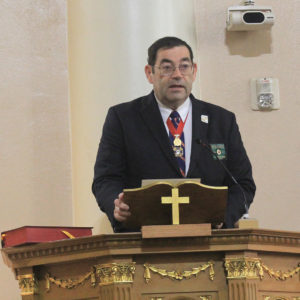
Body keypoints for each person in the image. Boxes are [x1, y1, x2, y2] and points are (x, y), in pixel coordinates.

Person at [92, 36, 256, 232]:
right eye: (167, 68)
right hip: (142, 241)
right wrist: (116, 205)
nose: (177, 75)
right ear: (150, 73)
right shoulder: (123, 118)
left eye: (184, 66)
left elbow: (242, 183)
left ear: (194, 72)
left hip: (211, 241)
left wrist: (223, 216)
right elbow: (105, 179)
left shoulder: (221, 120)